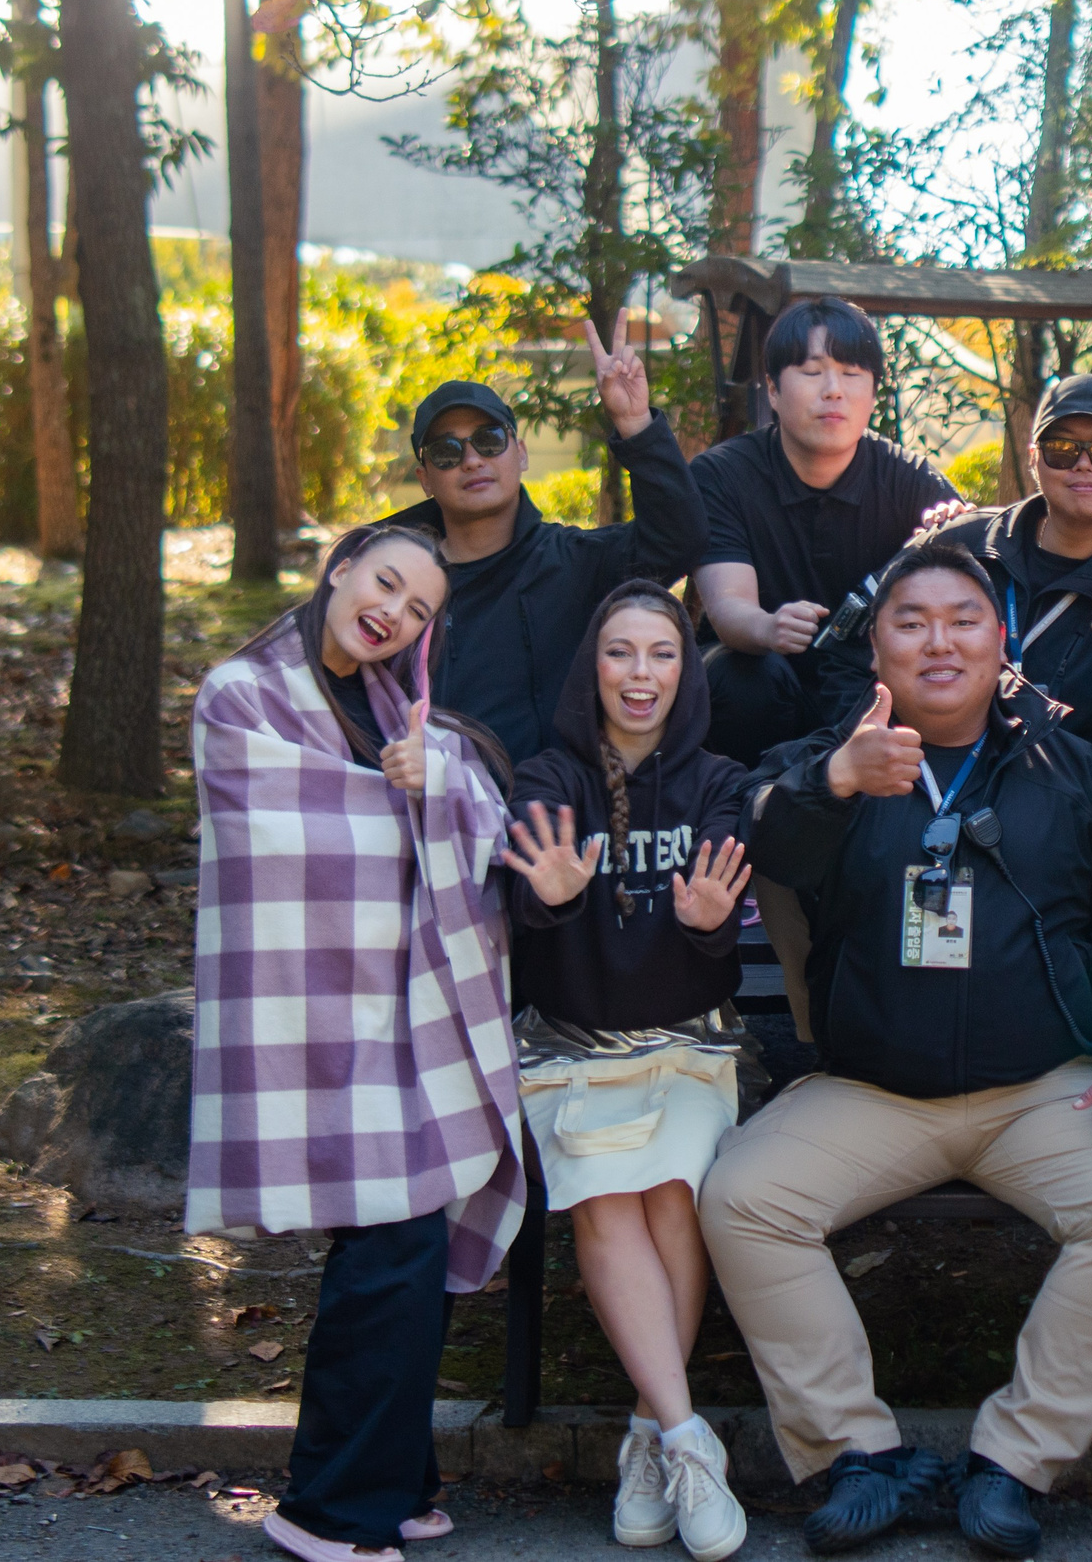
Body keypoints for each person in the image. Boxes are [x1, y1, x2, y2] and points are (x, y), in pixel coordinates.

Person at [700, 542, 1092, 1560]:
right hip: (874, 1093)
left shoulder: (1068, 767)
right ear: (877, 645)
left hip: (1040, 1089)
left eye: (963, 619)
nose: (939, 641)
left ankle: (1014, 1460)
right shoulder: (833, 758)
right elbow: (767, 842)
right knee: (743, 1197)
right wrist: (836, 782)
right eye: (911, 621)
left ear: (1000, 639)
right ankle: (858, 1454)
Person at [188, 526, 522, 1562]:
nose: (393, 613)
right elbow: (295, 836)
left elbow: (472, 809)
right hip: (308, 1007)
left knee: (406, 1237)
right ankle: (332, 1511)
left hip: (401, 1008)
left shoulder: (389, 704)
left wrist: (441, 777)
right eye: (384, 583)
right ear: (340, 569)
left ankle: (386, 1482)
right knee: (393, 1240)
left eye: (419, 609)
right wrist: (417, 794)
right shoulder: (238, 695)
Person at [498, 583, 756, 1562]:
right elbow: (525, 925)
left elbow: (720, 936)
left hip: (689, 1046)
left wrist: (709, 927)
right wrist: (554, 900)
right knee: (607, 1197)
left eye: (662, 653)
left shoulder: (719, 782)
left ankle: (649, 1434)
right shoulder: (545, 777)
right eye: (621, 652)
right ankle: (687, 1440)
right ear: (590, 667)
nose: (641, 674)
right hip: (571, 1050)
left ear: (687, 670)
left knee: (673, 1194)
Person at [385, 315, 706, 764]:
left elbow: (679, 539)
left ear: (521, 454)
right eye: (447, 451)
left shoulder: (574, 563)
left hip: (562, 801)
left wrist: (635, 424)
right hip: (439, 797)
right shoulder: (399, 590)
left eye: (489, 440)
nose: (472, 460)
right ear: (425, 479)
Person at [884, 372, 1092, 800]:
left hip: (1072, 802)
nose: (1084, 464)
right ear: (1033, 458)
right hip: (925, 780)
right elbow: (852, 649)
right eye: (1062, 448)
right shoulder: (963, 543)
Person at [689, 295, 960, 766]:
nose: (833, 391)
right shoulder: (721, 475)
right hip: (756, 681)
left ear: (873, 392)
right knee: (746, 678)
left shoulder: (911, 480)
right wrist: (768, 627)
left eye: (852, 373)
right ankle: (742, 800)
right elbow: (728, 606)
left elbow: (973, 591)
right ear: (773, 390)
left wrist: (954, 533)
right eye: (812, 372)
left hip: (863, 681)